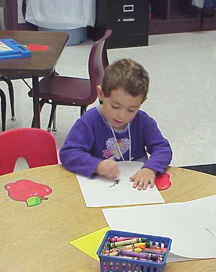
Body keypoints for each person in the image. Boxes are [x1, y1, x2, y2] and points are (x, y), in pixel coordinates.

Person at [60, 59, 172, 190]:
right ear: (101, 94)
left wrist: (150, 168)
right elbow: (68, 153)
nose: (122, 116)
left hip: (137, 187)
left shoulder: (143, 121)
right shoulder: (89, 122)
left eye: (131, 109)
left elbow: (163, 149)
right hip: (102, 186)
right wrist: (97, 165)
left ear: (142, 102)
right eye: (115, 106)